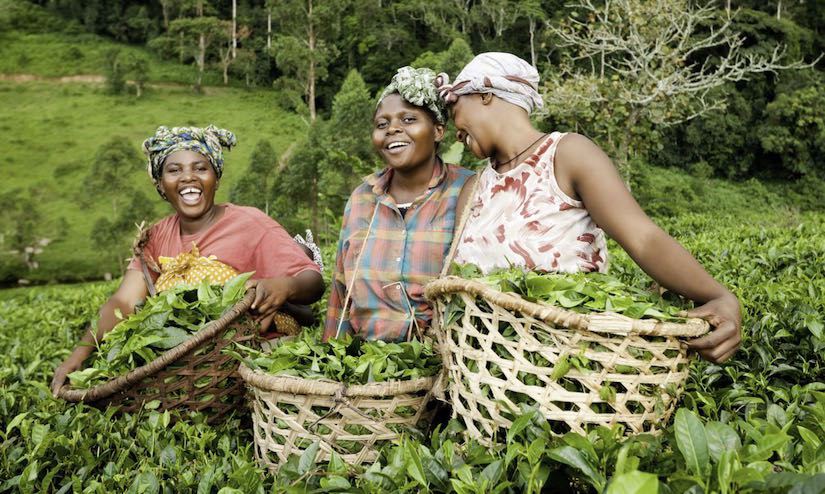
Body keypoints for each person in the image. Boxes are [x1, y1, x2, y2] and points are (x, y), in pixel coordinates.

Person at [436, 53, 741, 363]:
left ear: (485, 94)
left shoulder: (566, 155)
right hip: (484, 375)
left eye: (454, 107)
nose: (453, 127)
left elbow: (642, 236)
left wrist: (717, 296)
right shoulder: (474, 188)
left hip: (566, 365)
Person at [51, 125, 324, 395]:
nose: (188, 177)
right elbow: (124, 301)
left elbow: (311, 280)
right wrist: (81, 353)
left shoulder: (249, 223)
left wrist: (284, 286)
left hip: (251, 364)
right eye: (174, 170)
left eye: (200, 168)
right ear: (160, 184)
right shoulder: (157, 236)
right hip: (185, 374)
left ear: (215, 178)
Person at [323, 67, 474, 342]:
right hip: (367, 365)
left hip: (442, 362)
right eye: (382, 124)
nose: (392, 129)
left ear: (438, 130)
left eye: (408, 119)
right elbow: (341, 291)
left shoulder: (466, 190)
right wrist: (329, 359)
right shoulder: (362, 198)